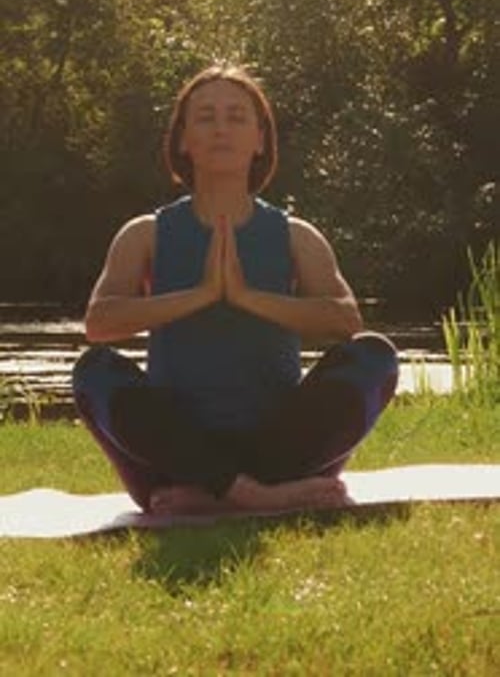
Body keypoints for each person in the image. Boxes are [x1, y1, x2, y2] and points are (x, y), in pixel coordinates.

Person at [73, 64, 398, 516]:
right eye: (206, 117)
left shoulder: (296, 236)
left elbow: (346, 321)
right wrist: (203, 294)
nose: (221, 129)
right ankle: (257, 494)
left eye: (236, 117)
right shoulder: (145, 234)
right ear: (183, 140)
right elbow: (99, 323)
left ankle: (221, 492)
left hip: (278, 442)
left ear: (260, 140)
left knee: (375, 357)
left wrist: (246, 297)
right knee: (93, 371)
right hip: (177, 451)